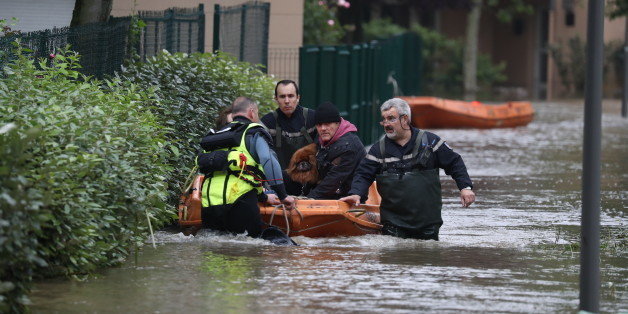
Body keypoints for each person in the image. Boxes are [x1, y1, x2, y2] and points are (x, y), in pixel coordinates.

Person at [340, 98, 475, 240]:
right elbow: (363, 174)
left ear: (405, 119)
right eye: (384, 120)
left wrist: (465, 187)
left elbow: (455, 163)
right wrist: (356, 193)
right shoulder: (377, 150)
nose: (386, 124)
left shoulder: (430, 142)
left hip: (427, 224)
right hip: (393, 225)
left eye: (391, 119)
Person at [197, 97, 295, 238]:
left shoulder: (215, 136)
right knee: (249, 254)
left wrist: (263, 196)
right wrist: (282, 195)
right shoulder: (253, 132)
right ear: (251, 112)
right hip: (240, 205)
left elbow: (229, 176)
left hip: (209, 206)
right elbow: (268, 160)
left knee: (214, 254)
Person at [299, 101, 366, 199]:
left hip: (347, 198)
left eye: (327, 124)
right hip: (330, 193)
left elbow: (332, 183)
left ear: (337, 123)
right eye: (319, 125)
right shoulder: (322, 138)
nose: (323, 128)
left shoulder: (348, 147)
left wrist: (307, 199)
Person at [261, 80, 317, 194]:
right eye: (282, 97)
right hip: (279, 185)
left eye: (291, 96)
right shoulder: (267, 122)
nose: (287, 101)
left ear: (298, 97)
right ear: (276, 99)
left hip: (310, 183)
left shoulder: (313, 118)